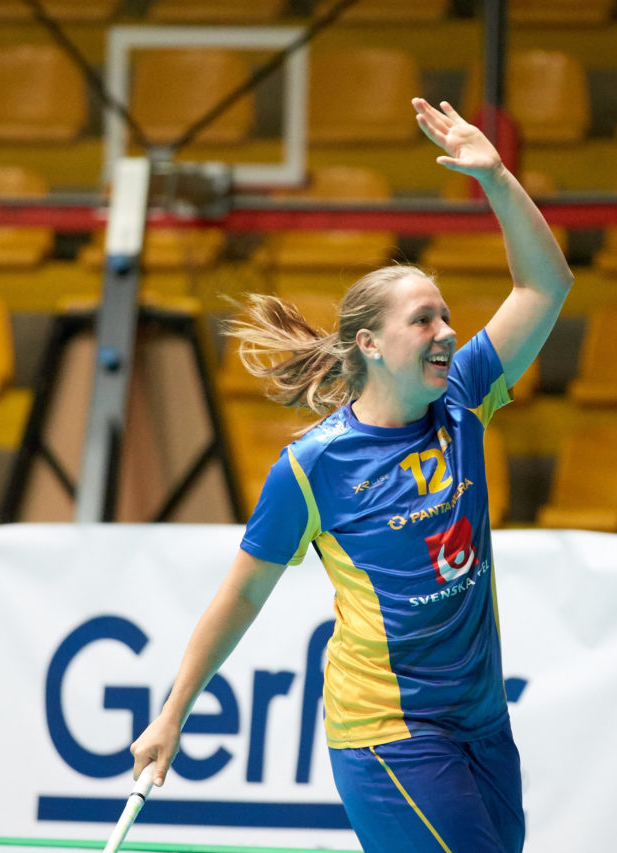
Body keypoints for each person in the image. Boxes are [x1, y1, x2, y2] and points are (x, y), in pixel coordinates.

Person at [129, 98, 573, 853]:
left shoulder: (463, 396)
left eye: (446, 316)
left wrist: (496, 178)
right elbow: (241, 594)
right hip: (386, 734)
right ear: (369, 343)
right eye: (425, 320)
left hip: (481, 718)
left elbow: (545, 285)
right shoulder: (313, 466)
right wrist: (171, 713)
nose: (449, 331)